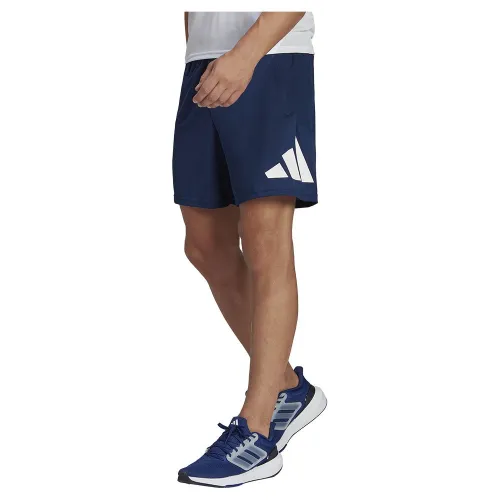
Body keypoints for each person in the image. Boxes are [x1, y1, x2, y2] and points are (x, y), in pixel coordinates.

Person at [173, 12, 327, 487]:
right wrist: (200, 48)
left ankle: (258, 430)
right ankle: (286, 386)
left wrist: (247, 54)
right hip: (204, 61)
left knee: (266, 243)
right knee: (205, 245)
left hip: (271, 57)